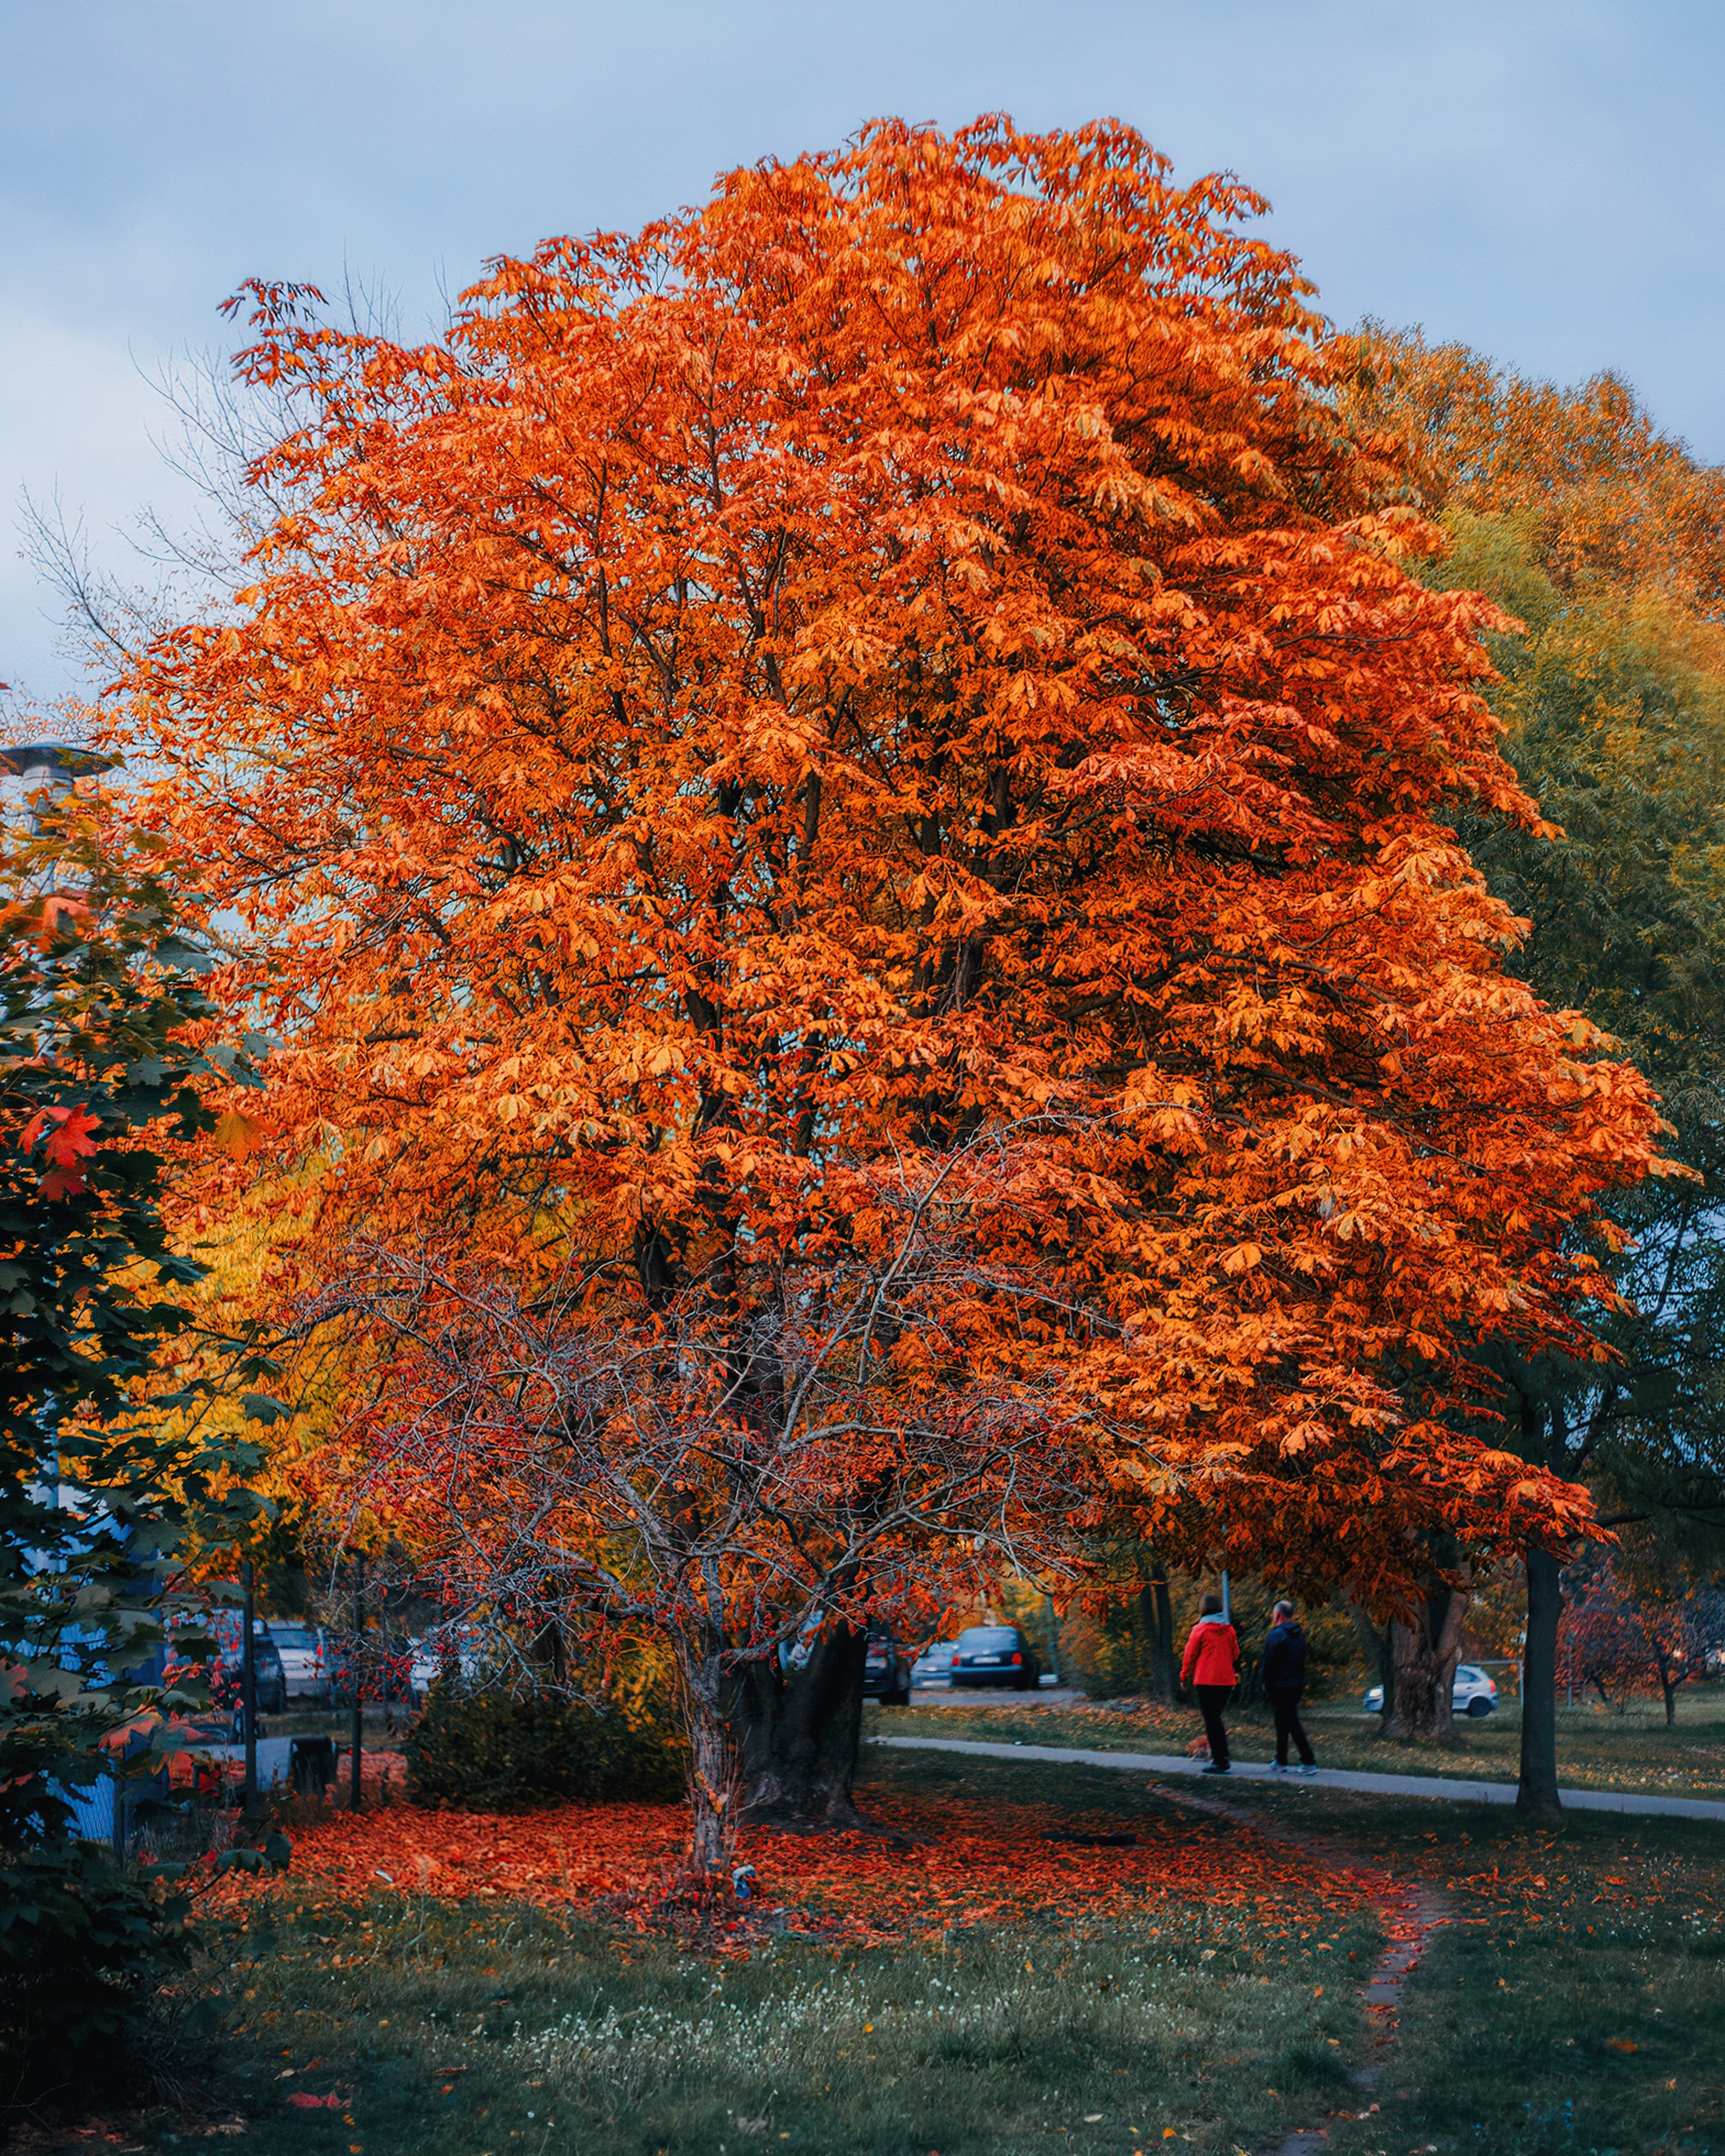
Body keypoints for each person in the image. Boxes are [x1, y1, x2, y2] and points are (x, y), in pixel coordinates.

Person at [1179, 1591, 1239, 1774]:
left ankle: (1221, 1760)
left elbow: (1189, 1656)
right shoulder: (1229, 1630)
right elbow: (1235, 1654)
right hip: (1226, 1681)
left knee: (1212, 1720)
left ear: (1203, 1610)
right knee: (1216, 1719)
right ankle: (1219, 1755)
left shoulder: (1200, 1630)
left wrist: (1184, 1676)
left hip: (1206, 1680)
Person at [1261, 1598, 1318, 1775]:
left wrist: (1266, 1684)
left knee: (1291, 1722)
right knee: (1283, 1721)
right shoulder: (1298, 1635)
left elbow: (1269, 1663)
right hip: (1297, 1684)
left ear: (1278, 1615)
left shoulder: (1276, 1635)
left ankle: (1308, 1761)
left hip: (1280, 1685)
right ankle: (1281, 1759)